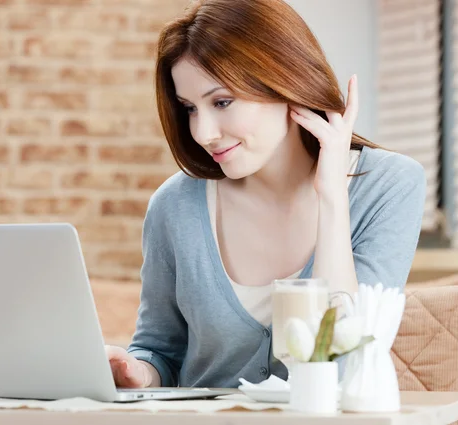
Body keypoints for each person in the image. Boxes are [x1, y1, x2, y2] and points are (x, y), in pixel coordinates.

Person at [105, 0, 426, 390]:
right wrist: (135, 371)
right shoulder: (174, 206)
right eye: (189, 108)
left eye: (222, 102)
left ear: (286, 82)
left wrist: (332, 200)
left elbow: (342, 362)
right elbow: (160, 352)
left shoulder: (389, 186)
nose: (203, 132)